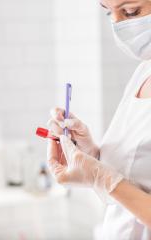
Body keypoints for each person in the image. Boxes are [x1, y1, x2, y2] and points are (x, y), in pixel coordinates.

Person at [47, 0, 151, 239]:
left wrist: (103, 179)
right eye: (108, 13)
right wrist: (90, 155)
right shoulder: (144, 72)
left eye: (130, 11)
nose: (118, 25)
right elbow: (136, 176)